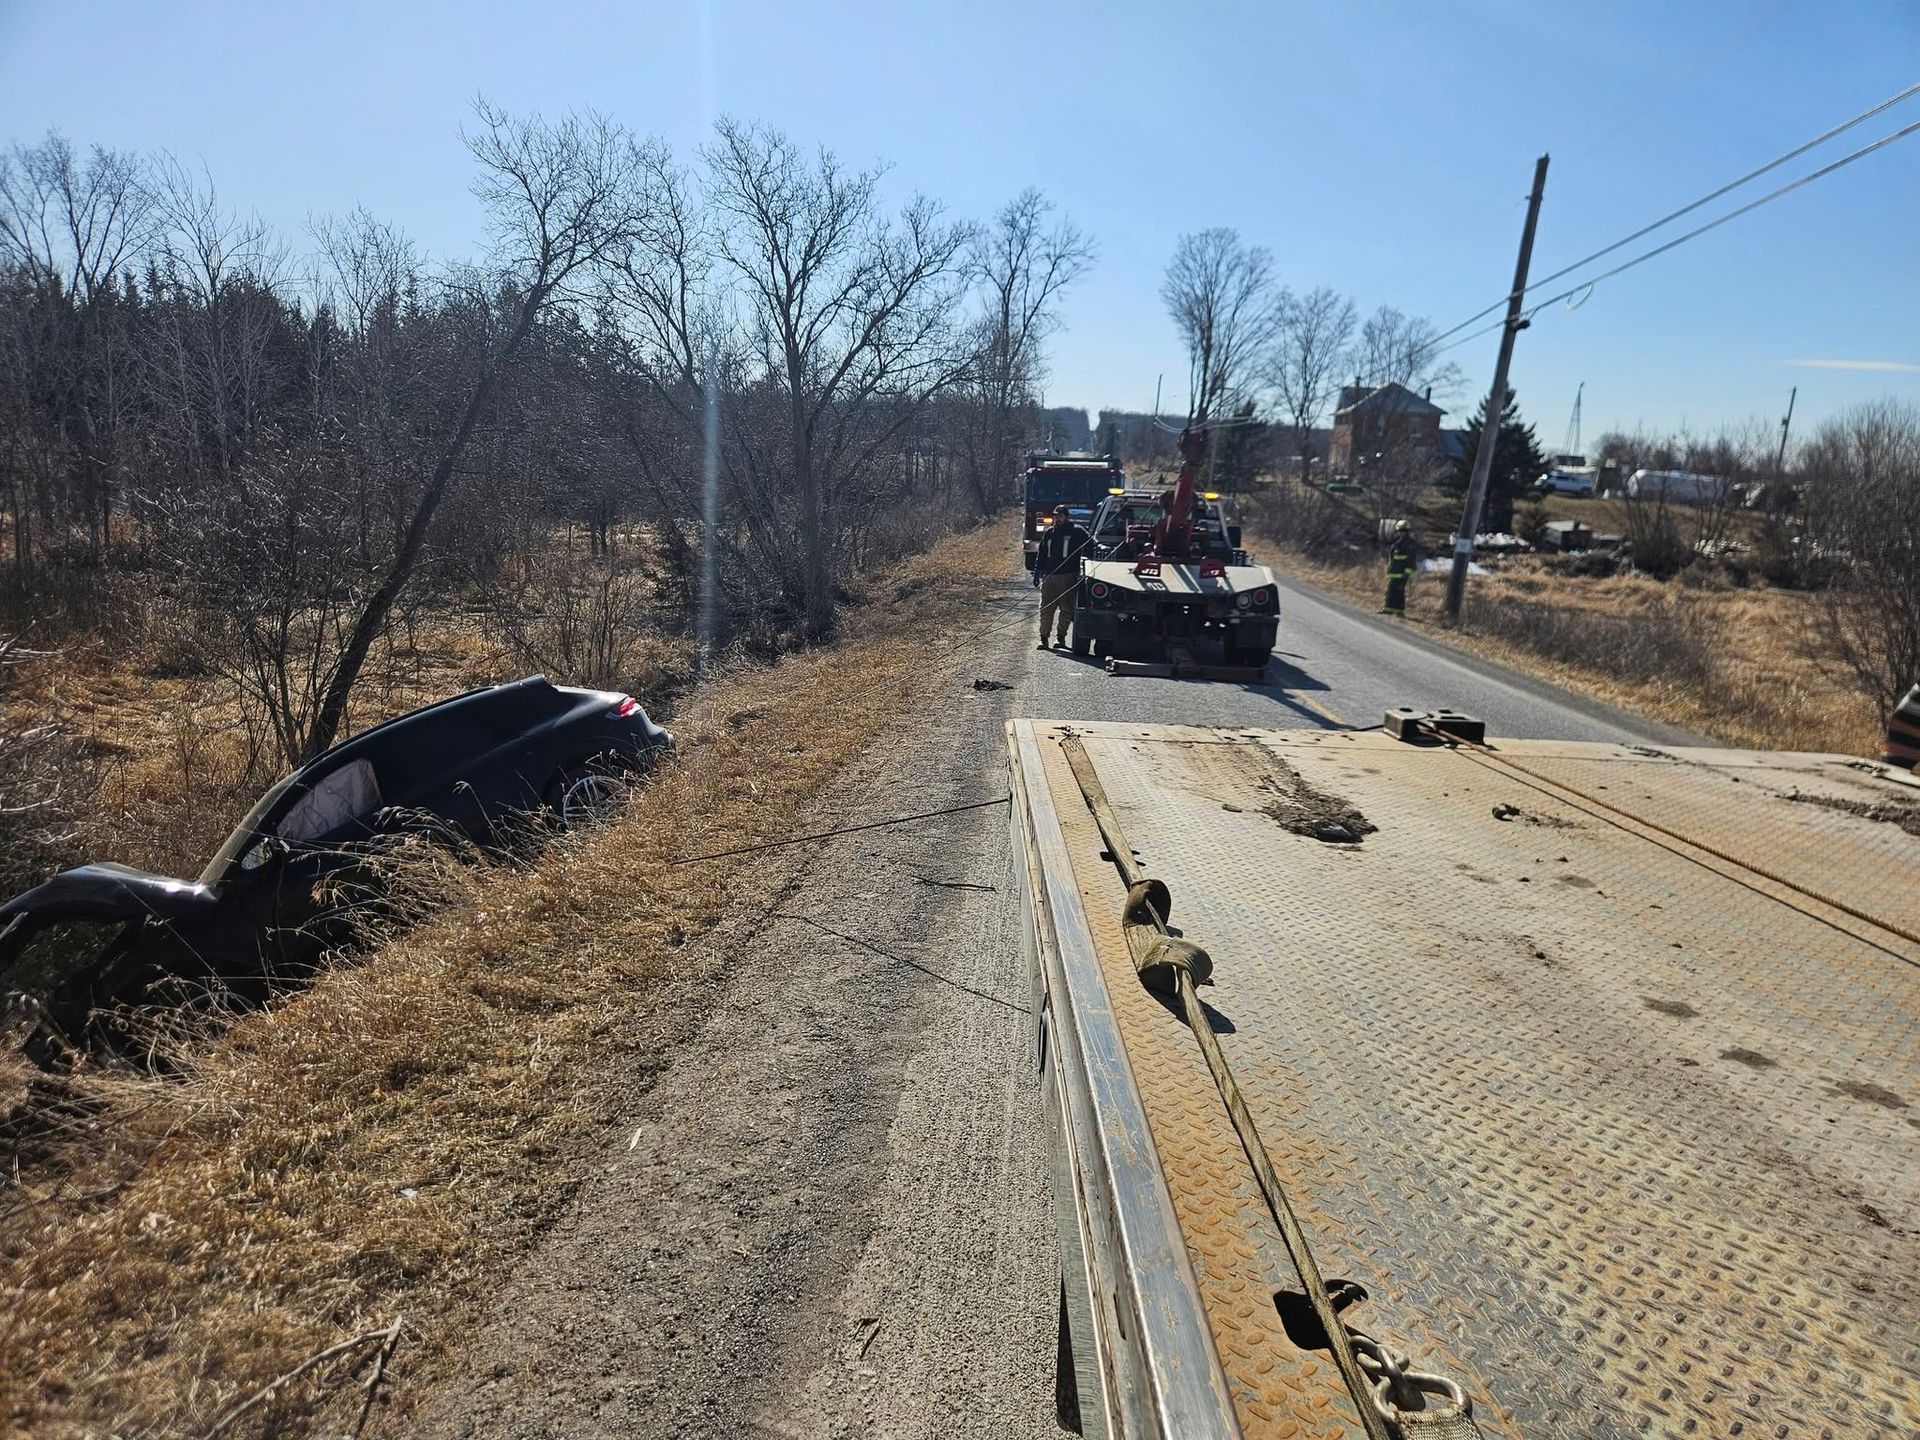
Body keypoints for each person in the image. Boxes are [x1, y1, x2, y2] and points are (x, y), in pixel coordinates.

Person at [1034, 504, 1090, 648]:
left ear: (1066, 517)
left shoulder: (1076, 531)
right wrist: (1037, 572)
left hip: (1068, 577)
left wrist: (1085, 563)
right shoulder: (1049, 532)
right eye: (1055, 516)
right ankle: (1044, 638)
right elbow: (1041, 554)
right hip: (1049, 577)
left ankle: (1060, 638)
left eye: (1060, 516)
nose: (1057, 519)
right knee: (1045, 609)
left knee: (1066, 609)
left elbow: (1091, 544)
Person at [1383, 520, 1415, 616]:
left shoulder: (1410, 544)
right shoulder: (1397, 543)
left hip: (1402, 573)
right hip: (1395, 572)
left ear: (1406, 532)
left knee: (1399, 592)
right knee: (1391, 590)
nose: (1400, 533)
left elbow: (1411, 560)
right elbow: (1392, 557)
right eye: (1399, 531)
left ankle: (1399, 611)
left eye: (1402, 531)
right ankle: (1389, 609)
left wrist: (1407, 572)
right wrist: (1389, 566)